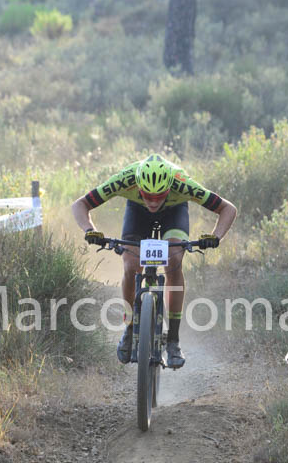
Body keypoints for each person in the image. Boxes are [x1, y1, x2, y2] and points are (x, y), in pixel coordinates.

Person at [72, 154, 237, 368]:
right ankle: (130, 326)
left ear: (169, 187)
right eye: (147, 196)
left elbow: (228, 209)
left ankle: (173, 340)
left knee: (173, 261)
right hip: (137, 213)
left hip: (174, 212)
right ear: (138, 186)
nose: (153, 202)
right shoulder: (125, 179)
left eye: (160, 196)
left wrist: (216, 237)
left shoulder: (182, 183)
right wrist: (90, 230)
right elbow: (81, 204)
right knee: (131, 265)